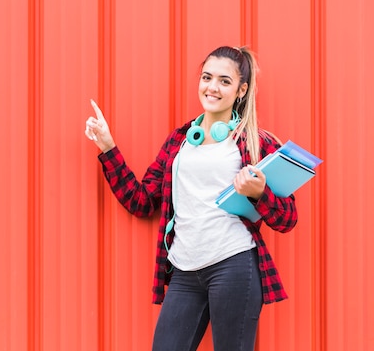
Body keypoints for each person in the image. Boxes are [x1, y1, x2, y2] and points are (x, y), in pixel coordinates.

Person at [84, 46, 297, 351]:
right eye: (207, 77)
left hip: (233, 264)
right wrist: (107, 147)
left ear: (241, 90)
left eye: (225, 81)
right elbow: (140, 201)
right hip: (184, 270)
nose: (212, 87)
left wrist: (260, 194)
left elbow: (288, 218)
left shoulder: (253, 142)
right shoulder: (180, 141)